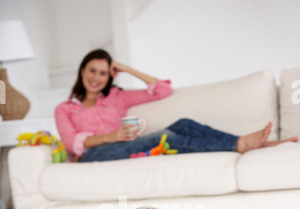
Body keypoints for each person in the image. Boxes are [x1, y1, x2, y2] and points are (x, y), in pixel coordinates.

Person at [55, 49, 298, 163]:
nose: (96, 77)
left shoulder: (117, 97)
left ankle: (244, 142)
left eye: (103, 73)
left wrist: (127, 69)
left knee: (183, 124)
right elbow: (72, 143)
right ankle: (240, 144)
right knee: (163, 139)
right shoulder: (65, 109)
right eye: (92, 71)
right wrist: (111, 136)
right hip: (93, 156)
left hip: (125, 145)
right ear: (82, 71)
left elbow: (163, 90)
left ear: (110, 76)